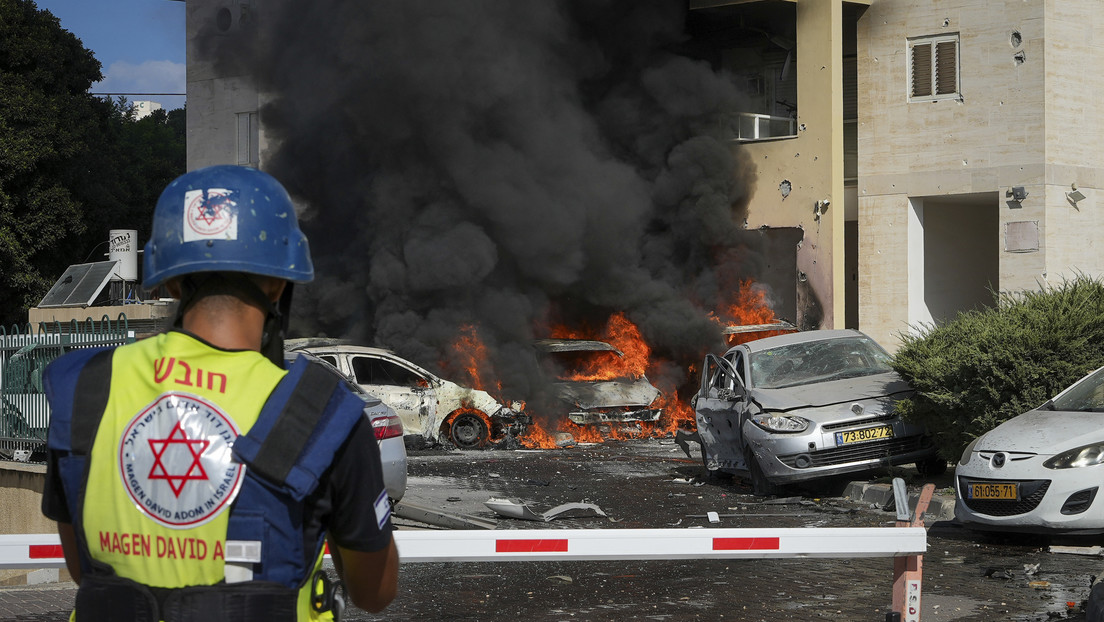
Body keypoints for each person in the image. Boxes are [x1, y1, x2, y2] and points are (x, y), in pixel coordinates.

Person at [40, 165, 398, 621]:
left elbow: (84, 569)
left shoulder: (87, 388)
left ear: (171, 281)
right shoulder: (320, 413)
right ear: (278, 283)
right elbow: (374, 593)